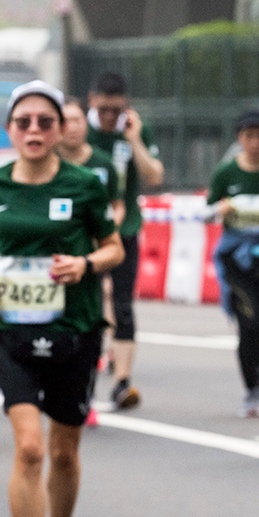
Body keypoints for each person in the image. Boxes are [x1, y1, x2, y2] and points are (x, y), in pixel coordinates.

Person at [0, 81, 123, 517]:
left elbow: (114, 248)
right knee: (30, 447)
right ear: (9, 130)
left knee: (64, 452)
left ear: (60, 129)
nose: (34, 130)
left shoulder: (84, 185)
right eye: (24, 122)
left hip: (74, 331)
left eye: (44, 121)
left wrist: (85, 265)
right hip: (11, 332)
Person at [85, 71, 164, 411]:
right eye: (103, 109)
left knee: (122, 305)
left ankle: (122, 382)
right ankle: (83, 375)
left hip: (124, 229)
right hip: (83, 232)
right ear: (92, 102)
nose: (109, 117)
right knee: (87, 306)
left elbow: (155, 176)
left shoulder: (133, 130)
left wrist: (134, 140)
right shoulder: (78, 131)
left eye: (116, 110)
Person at [208, 110, 259, 417]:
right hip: (236, 260)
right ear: (239, 138)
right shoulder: (227, 173)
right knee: (249, 325)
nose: (255, 143)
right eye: (249, 136)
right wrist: (221, 208)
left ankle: (257, 369)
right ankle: (251, 388)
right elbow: (206, 211)